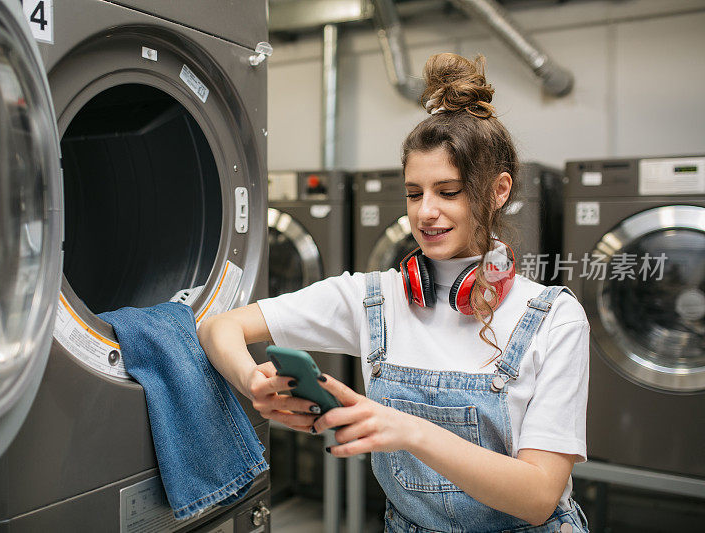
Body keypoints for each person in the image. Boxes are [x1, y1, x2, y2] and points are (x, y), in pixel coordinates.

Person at [198, 52, 590, 533]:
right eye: (413, 192)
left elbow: (537, 495)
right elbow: (219, 327)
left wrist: (408, 430)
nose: (425, 212)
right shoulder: (374, 299)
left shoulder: (554, 318)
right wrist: (252, 383)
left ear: (498, 191)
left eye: (448, 192)